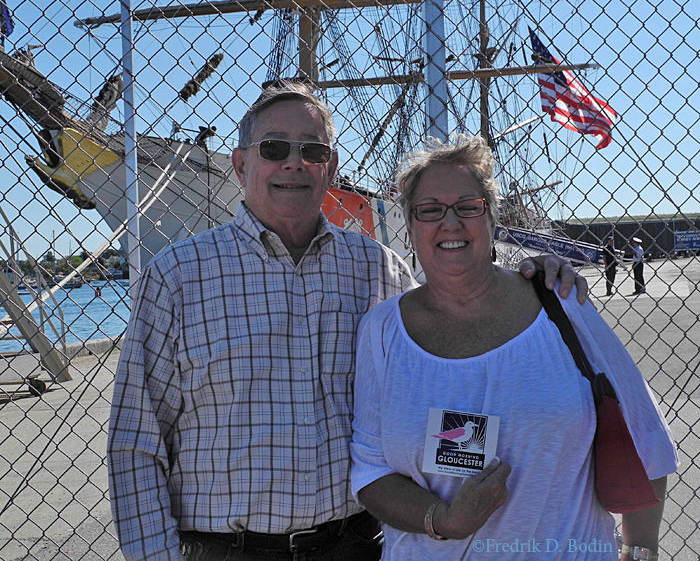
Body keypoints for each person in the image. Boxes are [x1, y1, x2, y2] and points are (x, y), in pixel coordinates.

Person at [107, 82, 588, 561]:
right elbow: (135, 442)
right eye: (274, 149)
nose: (294, 163)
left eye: (312, 151)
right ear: (240, 164)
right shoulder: (177, 277)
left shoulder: (378, 269)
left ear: (331, 168)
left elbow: (438, 385)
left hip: (357, 544)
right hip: (227, 550)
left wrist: (524, 284)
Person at [350, 136, 678, 561]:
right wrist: (443, 519)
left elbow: (643, 436)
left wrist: (640, 552)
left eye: (469, 207)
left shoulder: (560, 303)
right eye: (429, 210)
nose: (450, 223)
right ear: (410, 227)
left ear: (492, 217)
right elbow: (371, 471)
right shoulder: (382, 331)